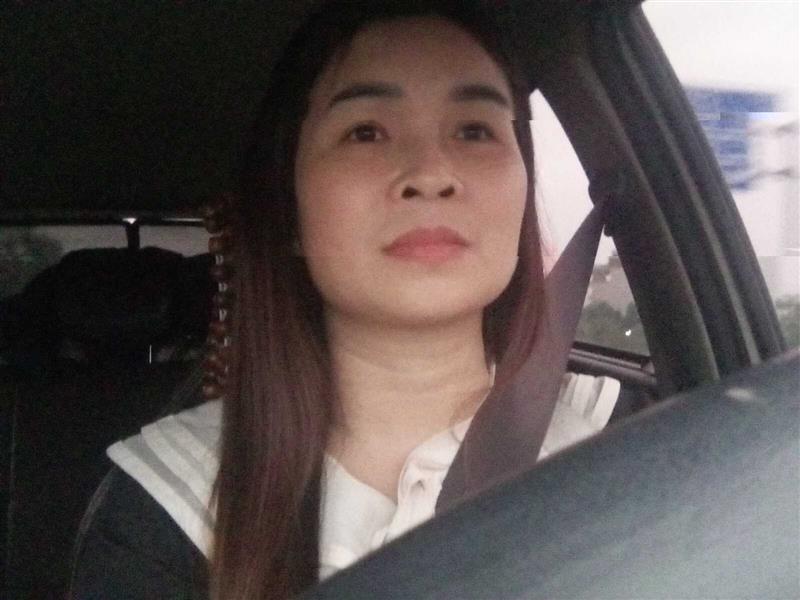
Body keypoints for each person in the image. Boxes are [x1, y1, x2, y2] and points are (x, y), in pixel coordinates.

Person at [70, 1, 619, 598]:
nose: (431, 173)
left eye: (473, 130)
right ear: (289, 212)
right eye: (366, 132)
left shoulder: (629, 448)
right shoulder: (167, 509)